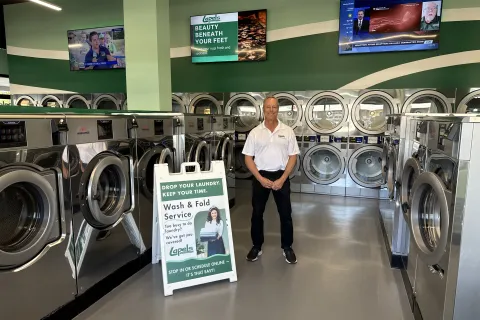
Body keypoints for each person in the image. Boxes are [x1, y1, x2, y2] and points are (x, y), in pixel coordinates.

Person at [242, 96, 300, 264]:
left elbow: (293, 156)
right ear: (263, 108)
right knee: (257, 214)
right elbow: (248, 158)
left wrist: (283, 178)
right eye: (268, 107)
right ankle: (256, 246)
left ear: (278, 109)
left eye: (274, 107)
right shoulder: (255, 132)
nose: (271, 110)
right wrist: (259, 178)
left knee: (286, 214)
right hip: (261, 176)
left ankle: (287, 247)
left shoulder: (287, 131)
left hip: (281, 176)